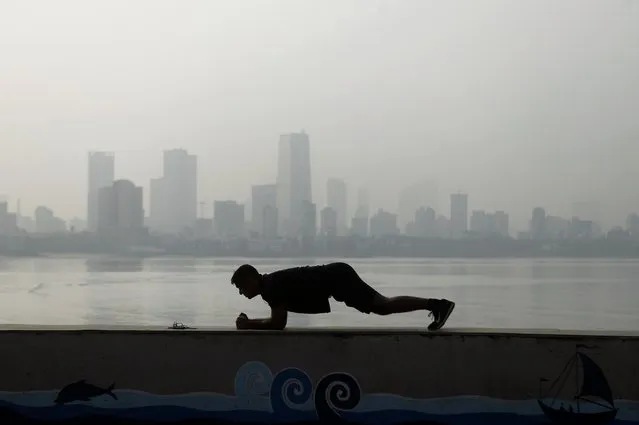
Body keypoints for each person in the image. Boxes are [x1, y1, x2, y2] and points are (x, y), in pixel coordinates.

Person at [231, 262, 455, 331]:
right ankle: (436, 305)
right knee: (382, 306)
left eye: (241, 288)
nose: (242, 293)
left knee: (383, 306)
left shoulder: (270, 288)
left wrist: (248, 324)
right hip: (337, 276)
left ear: (251, 279)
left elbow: (278, 324)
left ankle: (437, 305)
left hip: (337, 278)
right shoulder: (270, 284)